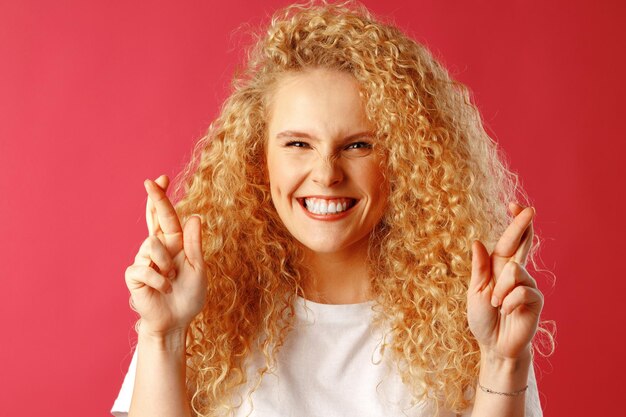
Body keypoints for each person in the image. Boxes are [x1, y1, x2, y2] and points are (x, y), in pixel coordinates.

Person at [112, 1, 552, 416]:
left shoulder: (473, 312)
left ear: (404, 159)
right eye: (298, 144)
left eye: (358, 145)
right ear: (256, 156)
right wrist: (165, 336)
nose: (326, 173)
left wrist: (500, 361)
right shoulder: (202, 300)